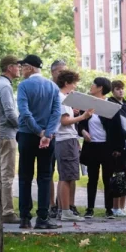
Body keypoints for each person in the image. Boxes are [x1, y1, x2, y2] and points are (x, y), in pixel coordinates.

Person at [16, 54, 62, 230]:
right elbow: (56, 113)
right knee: (44, 176)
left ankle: (24, 217)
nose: (21, 70)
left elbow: (25, 112)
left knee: (25, 177)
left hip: (28, 135)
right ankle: (42, 217)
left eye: (23, 67)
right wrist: (47, 134)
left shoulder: (24, 86)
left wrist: (38, 131)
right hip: (47, 139)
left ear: (30, 67)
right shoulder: (52, 87)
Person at [80, 77, 126, 219]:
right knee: (92, 178)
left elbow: (117, 128)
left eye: (93, 84)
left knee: (107, 178)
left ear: (100, 88)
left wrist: (118, 148)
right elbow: (81, 123)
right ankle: (90, 208)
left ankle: (109, 208)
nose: (91, 86)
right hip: (92, 146)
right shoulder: (86, 104)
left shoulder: (109, 106)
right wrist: (83, 132)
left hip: (107, 147)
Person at [54, 70, 93, 222]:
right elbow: (64, 121)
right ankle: (65, 211)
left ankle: (62, 209)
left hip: (66, 139)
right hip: (65, 139)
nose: (75, 87)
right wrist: (82, 117)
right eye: (74, 83)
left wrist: (74, 114)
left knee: (66, 175)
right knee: (67, 176)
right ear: (66, 83)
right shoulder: (62, 98)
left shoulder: (63, 99)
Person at [0, 55, 21, 223]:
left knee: (1, 173)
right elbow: (10, 113)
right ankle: (7, 212)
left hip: (0, 133)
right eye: (17, 66)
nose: (19, 68)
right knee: (7, 174)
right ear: (10, 67)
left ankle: (0, 208)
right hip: (6, 134)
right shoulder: (5, 87)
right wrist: (23, 126)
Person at [109, 80, 126, 216]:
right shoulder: (110, 105)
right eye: (118, 89)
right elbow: (116, 129)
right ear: (112, 90)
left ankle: (123, 206)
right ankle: (115, 207)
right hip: (117, 146)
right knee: (118, 176)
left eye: (122, 89)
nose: (121, 91)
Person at [47, 59, 68, 218]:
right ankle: (52, 205)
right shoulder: (49, 88)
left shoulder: (67, 91)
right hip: (51, 134)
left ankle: (64, 205)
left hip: (65, 137)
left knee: (65, 173)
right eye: (60, 71)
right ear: (53, 72)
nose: (63, 75)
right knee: (48, 171)